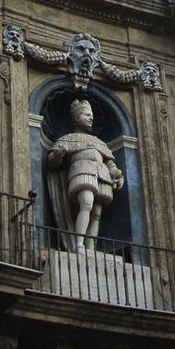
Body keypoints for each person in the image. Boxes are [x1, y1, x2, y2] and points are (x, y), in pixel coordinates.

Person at [46, 99, 124, 251]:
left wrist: (118, 175)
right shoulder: (67, 139)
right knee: (86, 203)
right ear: (76, 118)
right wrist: (58, 155)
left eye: (92, 115)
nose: (91, 118)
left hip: (102, 176)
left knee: (96, 213)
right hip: (82, 171)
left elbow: (110, 164)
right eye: (87, 115)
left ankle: (90, 248)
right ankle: (78, 244)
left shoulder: (99, 142)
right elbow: (52, 163)